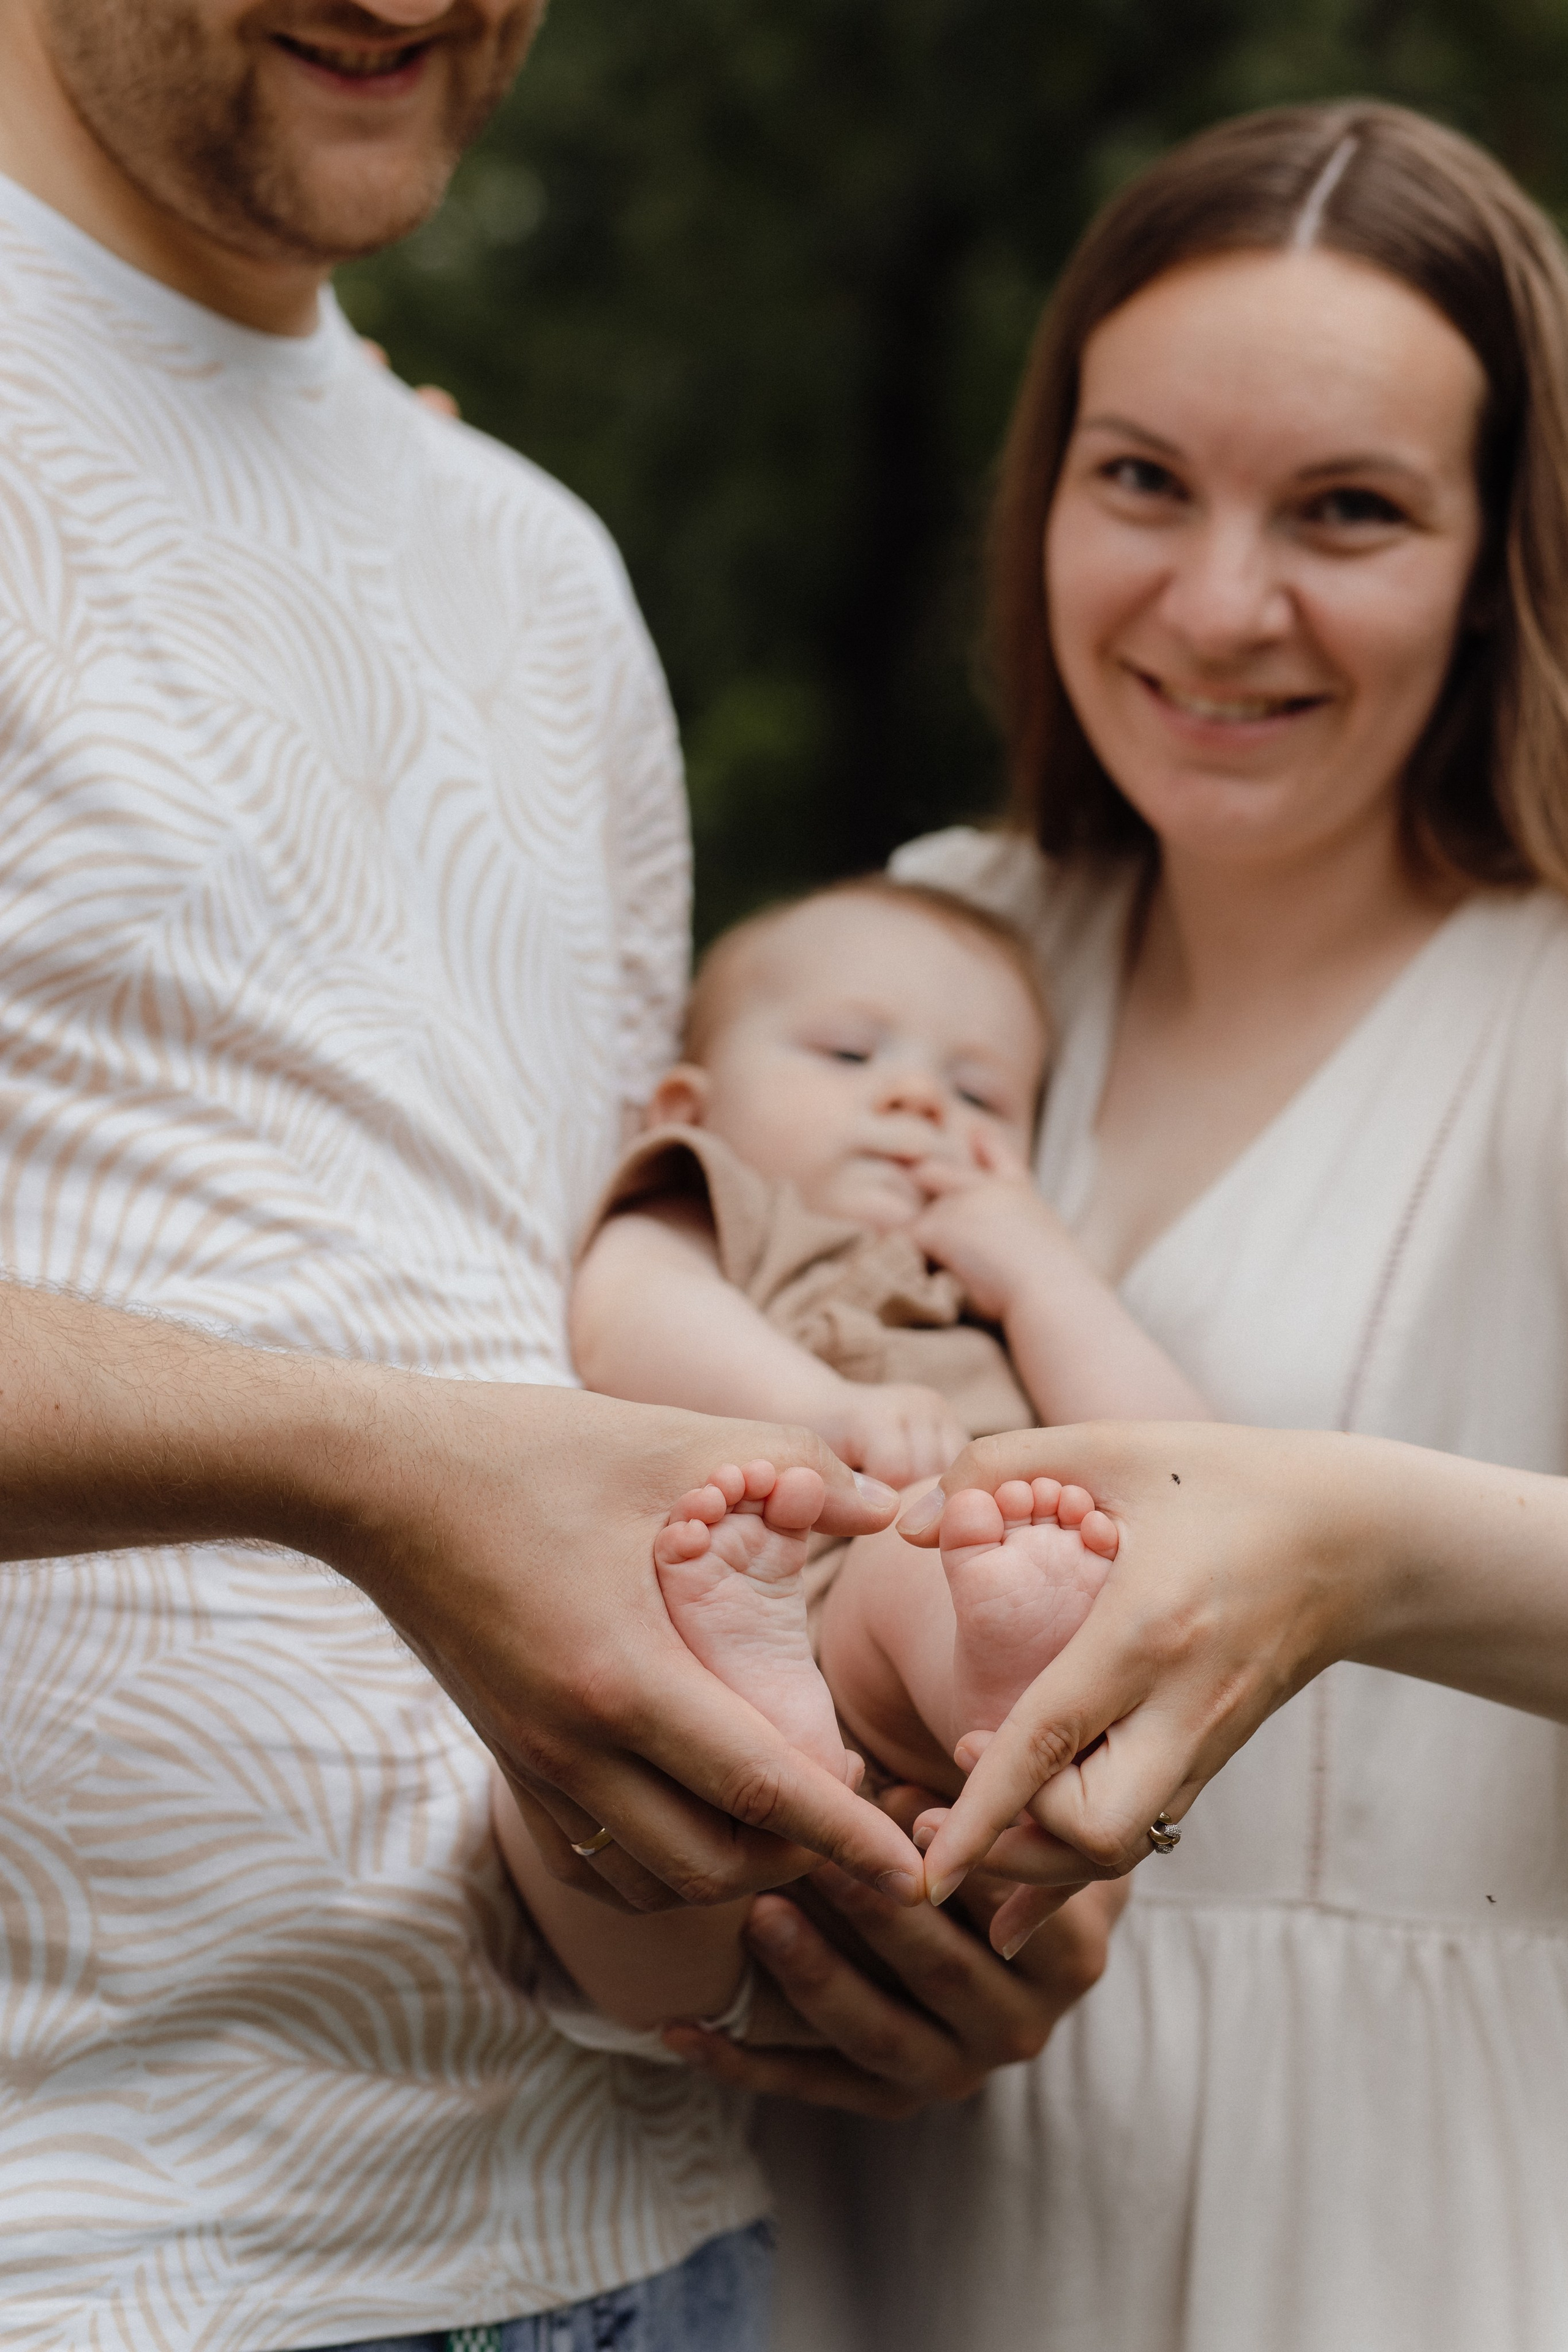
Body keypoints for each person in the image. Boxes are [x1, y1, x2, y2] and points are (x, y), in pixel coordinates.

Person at [0, 6, 1123, 2348]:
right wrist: (379, 1474)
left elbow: (574, 1284)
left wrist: (888, 1918)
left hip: (644, 2238)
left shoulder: (543, 573)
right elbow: (441, 1438)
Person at [696, 97, 1568, 2352]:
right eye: (1143, 480)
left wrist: (1352, 1550)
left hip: (1392, 2230)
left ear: (1502, 557)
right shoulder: (939, 956)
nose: (1216, 604)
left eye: (1351, 512)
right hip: (869, 2184)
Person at [492, 876, 1203, 2047]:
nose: (917, 1097)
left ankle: (1000, 1667)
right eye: (847, 1051)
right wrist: (821, 1411)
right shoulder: (734, 1205)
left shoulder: (995, 1292)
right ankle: (784, 1690)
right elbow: (629, 1305)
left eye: (979, 1093)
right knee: (569, 1803)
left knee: (940, 1548)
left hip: (911, 1680)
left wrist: (1041, 1275)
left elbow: (1198, 1469)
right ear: (691, 1103)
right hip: (729, 1603)